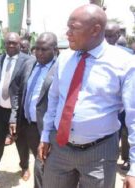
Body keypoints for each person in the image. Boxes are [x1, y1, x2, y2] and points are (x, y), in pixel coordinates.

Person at [38, 4, 135, 188]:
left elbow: (133, 117)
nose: (67, 33)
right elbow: (54, 99)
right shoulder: (65, 57)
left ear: (95, 30)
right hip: (60, 149)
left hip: (99, 154)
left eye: (73, 27)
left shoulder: (125, 64)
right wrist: (45, 136)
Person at [0, 32, 35, 188]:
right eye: (8, 43)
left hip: (18, 113)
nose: (11, 45)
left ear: (20, 44)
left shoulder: (28, 61)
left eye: (14, 43)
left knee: (21, 143)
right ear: (4, 44)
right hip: (0, 111)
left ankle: (24, 166)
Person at [16, 32, 58, 187]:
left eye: (44, 49)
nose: (39, 53)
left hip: (47, 128)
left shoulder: (60, 68)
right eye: (37, 49)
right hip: (30, 125)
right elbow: (19, 91)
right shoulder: (30, 64)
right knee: (39, 161)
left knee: (41, 165)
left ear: (55, 49)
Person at [105, 21, 133, 171]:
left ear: (118, 36)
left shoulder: (127, 55)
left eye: (111, 36)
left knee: (125, 131)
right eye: (105, 36)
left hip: (124, 101)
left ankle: (126, 158)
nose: (107, 39)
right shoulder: (94, 53)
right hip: (107, 102)